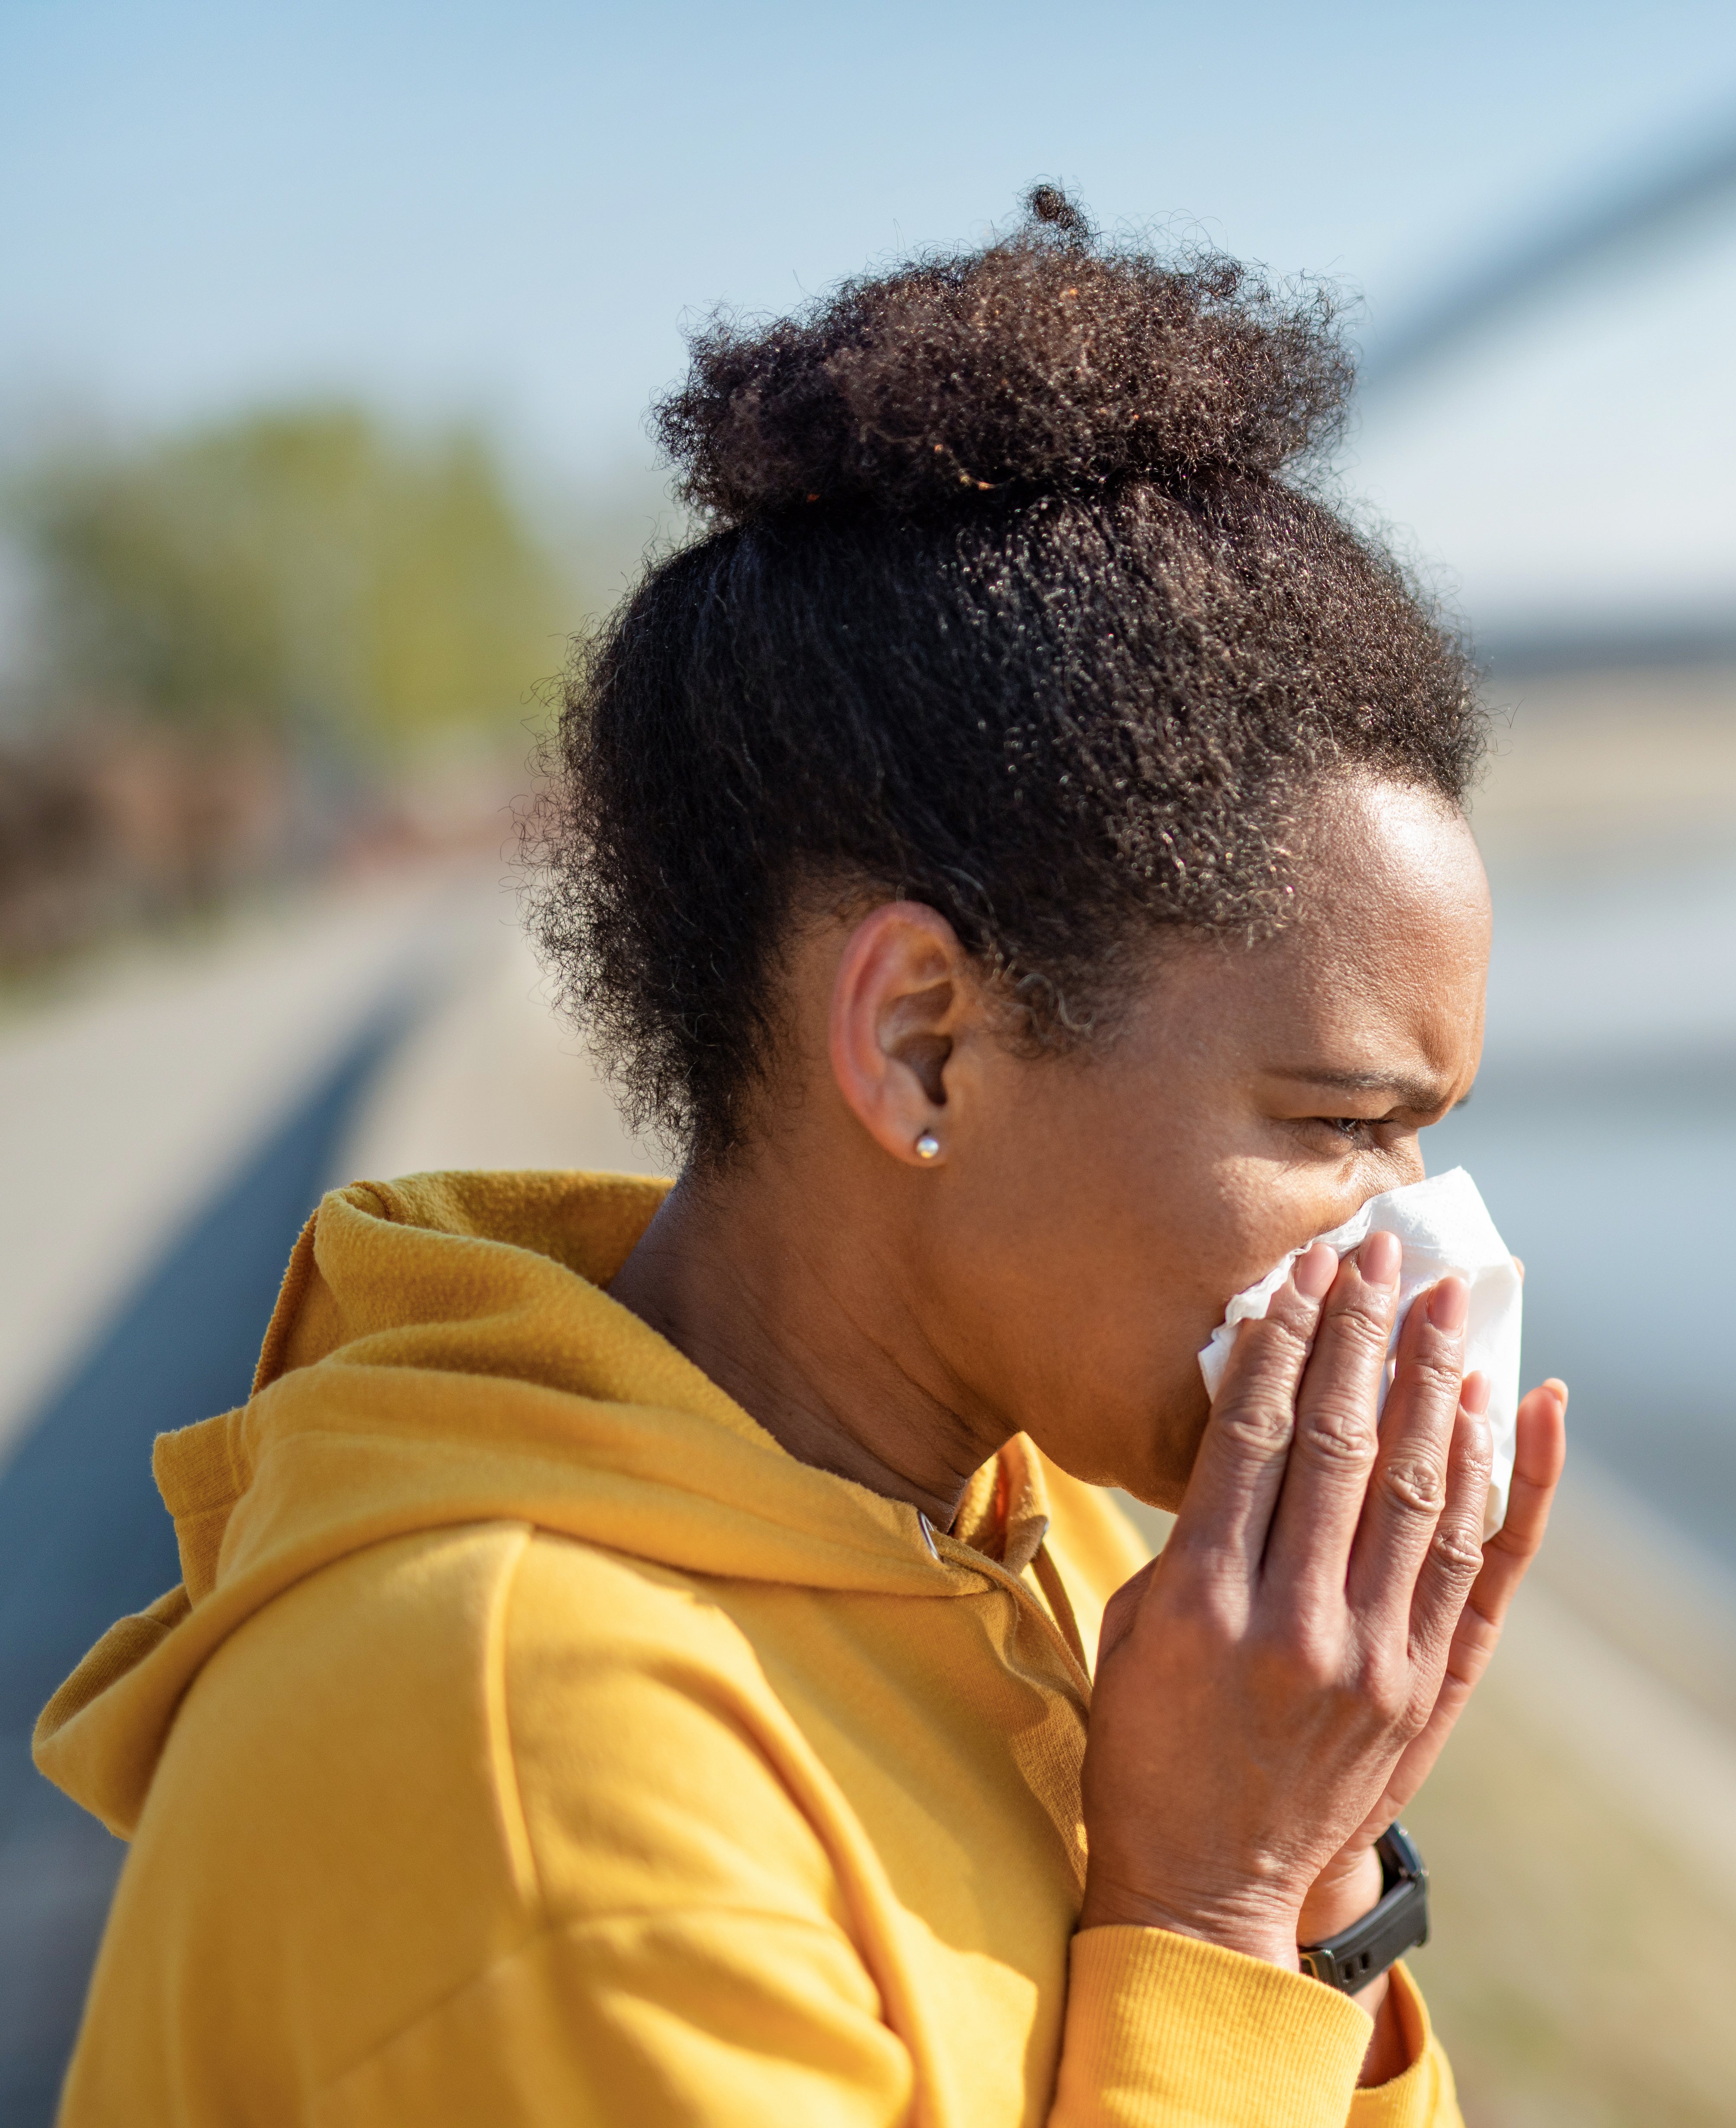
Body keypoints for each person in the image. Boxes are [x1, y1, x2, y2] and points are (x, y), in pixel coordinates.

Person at [32, 188, 1568, 2126]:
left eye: (1426, 1138)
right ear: (925, 1040)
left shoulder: (1060, 1541)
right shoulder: (535, 1767)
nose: (1414, 1239)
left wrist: (1322, 1878)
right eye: (1342, 1126)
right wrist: (1218, 1906)